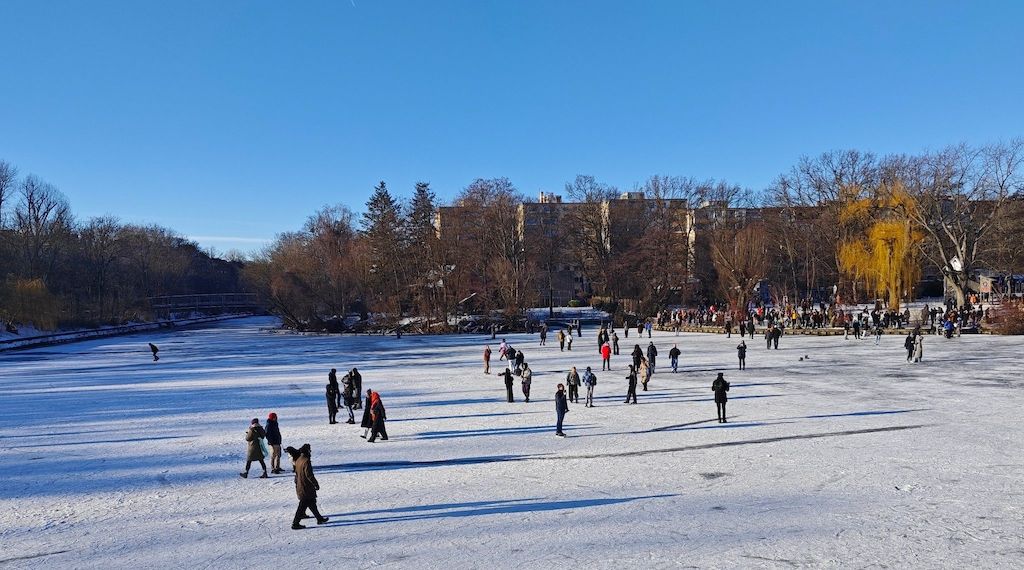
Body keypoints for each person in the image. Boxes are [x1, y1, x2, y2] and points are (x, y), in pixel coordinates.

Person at [287, 444, 328, 529]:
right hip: (306, 486)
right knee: (303, 505)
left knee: (312, 502)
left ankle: (319, 519)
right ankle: (295, 523)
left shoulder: (298, 460)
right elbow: (309, 475)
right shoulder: (306, 461)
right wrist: (315, 484)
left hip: (300, 485)